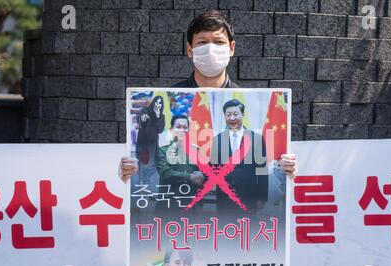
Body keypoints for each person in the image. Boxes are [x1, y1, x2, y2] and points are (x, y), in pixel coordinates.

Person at [120, 10, 296, 183]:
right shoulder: (171, 96)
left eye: (219, 42)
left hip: (234, 205)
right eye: (202, 42)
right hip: (179, 203)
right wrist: (128, 171)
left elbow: (256, 166)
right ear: (190, 50)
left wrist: (282, 169)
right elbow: (156, 164)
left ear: (231, 48)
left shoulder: (245, 102)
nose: (211, 49)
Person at [211, 99, 268, 214]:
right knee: (223, 230)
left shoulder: (256, 138)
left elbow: (262, 170)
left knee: (248, 230)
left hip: (248, 197)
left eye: (235, 114)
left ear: (243, 114)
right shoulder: (218, 139)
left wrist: (262, 197)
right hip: (224, 199)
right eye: (228, 115)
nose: (232, 118)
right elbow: (213, 167)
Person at [154, 115, 204, 213]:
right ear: (171, 129)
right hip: (168, 205)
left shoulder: (197, 151)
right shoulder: (162, 150)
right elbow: (166, 173)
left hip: (191, 205)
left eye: (185, 127)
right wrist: (190, 177)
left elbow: (203, 175)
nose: (182, 130)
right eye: (178, 127)